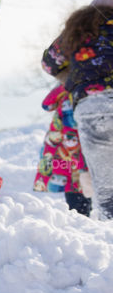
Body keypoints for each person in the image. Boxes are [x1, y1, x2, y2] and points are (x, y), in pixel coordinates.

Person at [41, 0, 113, 220]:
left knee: (107, 195)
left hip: (93, 109)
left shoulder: (84, 24)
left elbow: (49, 62)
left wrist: (75, 73)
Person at [33, 78, 91, 216]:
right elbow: (71, 136)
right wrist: (83, 169)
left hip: (67, 156)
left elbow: (47, 104)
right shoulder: (71, 98)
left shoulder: (68, 92)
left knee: (79, 197)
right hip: (71, 158)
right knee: (79, 202)